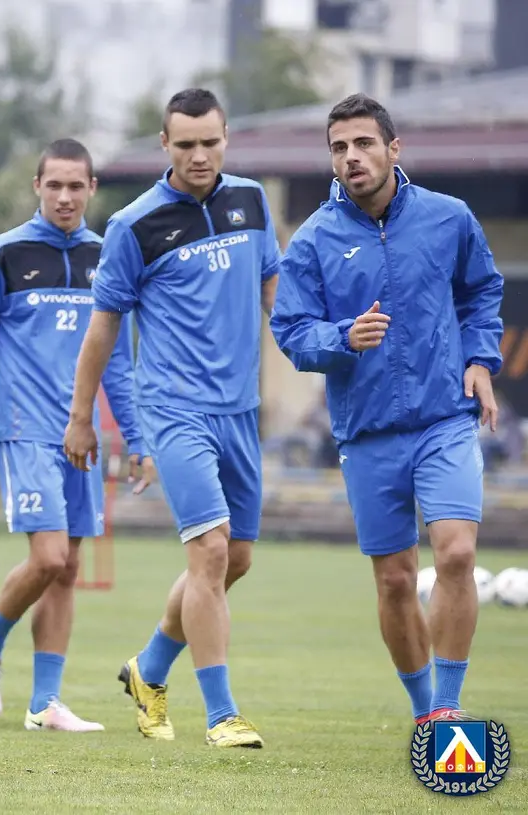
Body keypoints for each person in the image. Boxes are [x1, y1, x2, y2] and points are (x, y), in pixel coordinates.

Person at [270, 93, 503, 724]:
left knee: (456, 554)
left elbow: (482, 292)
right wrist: (342, 337)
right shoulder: (313, 241)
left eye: (363, 143)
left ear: (393, 148)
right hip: (367, 432)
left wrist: (480, 360)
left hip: (444, 418)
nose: (351, 157)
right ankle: (426, 712)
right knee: (396, 580)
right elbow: (290, 331)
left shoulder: (449, 218)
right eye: (339, 147)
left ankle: (447, 710)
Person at [63, 89, 281, 748]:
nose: (199, 155)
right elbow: (102, 330)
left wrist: (323, 348)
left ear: (226, 137)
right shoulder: (134, 225)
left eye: (210, 142)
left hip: (240, 411)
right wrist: (81, 417)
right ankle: (222, 714)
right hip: (173, 409)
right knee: (209, 551)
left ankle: (149, 666)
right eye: (185, 144)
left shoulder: (252, 201)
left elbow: (277, 295)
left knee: (235, 559)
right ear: (165, 145)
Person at [0, 138, 154, 732]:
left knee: (68, 569)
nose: (65, 196)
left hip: (81, 438)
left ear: (92, 189)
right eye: (55, 185)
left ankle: (45, 703)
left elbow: (118, 362)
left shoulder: (107, 258)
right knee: (49, 556)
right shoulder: (4, 253)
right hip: (25, 430)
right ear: (37, 187)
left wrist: (137, 439)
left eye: (76, 186)